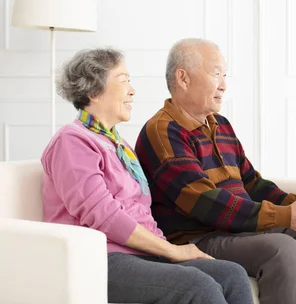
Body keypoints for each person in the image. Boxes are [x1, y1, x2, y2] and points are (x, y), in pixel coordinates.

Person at [135, 38, 296, 304]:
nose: (223, 84)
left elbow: (252, 183)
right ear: (183, 78)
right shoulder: (163, 131)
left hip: (241, 231)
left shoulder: (220, 125)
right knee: (280, 248)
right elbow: (204, 203)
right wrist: (287, 216)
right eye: (215, 73)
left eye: (224, 74)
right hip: (200, 237)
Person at [42, 48, 253, 304]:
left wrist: (164, 249)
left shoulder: (118, 145)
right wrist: (171, 250)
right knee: (197, 287)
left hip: (143, 252)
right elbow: (103, 215)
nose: (132, 90)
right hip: (103, 259)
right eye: (123, 80)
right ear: (93, 91)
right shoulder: (72, 141)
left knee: (232, 273)